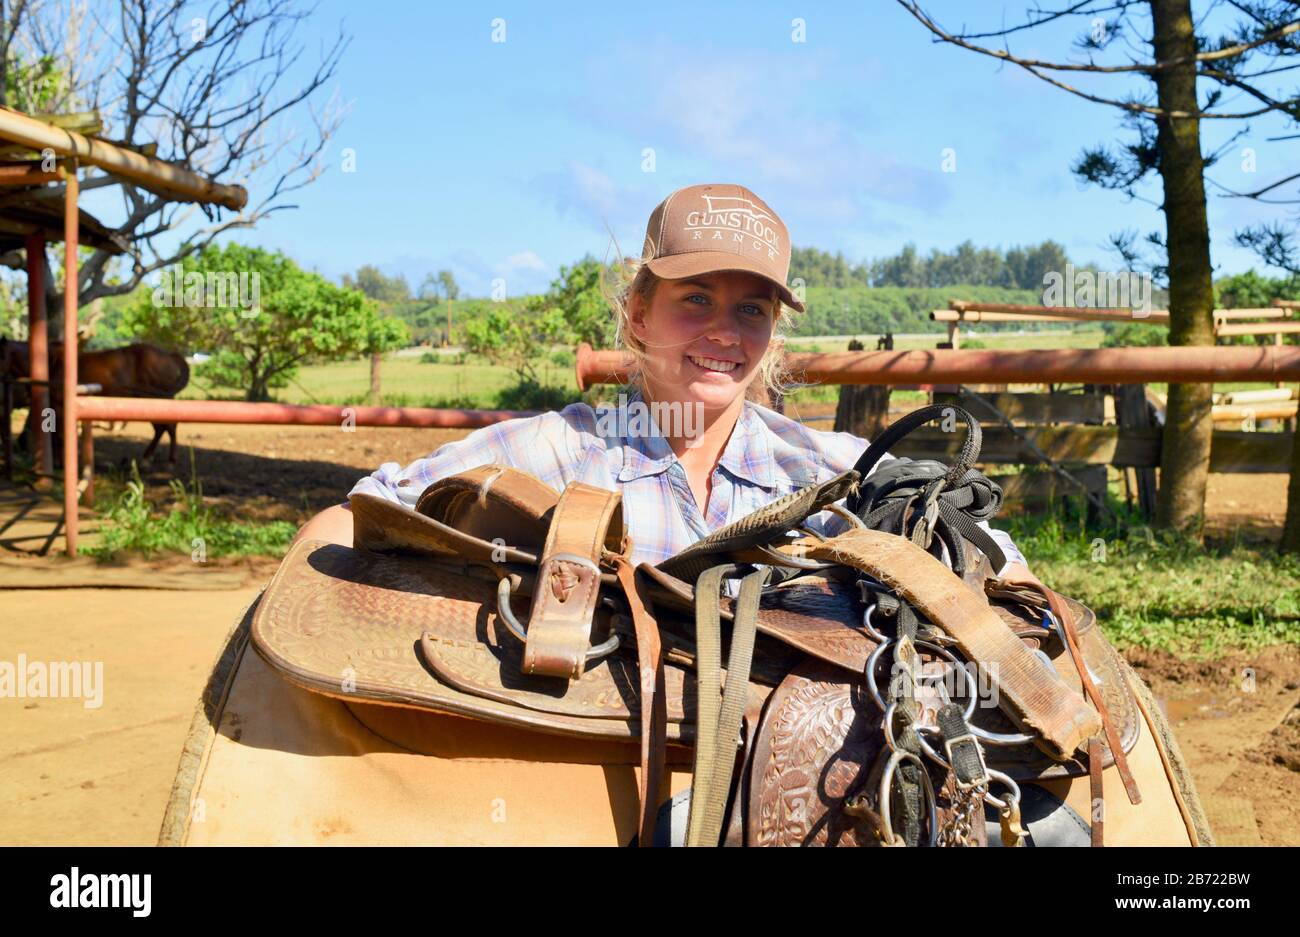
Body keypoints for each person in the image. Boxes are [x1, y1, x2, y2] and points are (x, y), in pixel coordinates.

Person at [295, 183, 1037, 586]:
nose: (724, 332)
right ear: (639, 315)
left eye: (751, 308)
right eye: (696, 300)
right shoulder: (561, 449)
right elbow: (355, 516)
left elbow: (999, 561)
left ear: (772, 335)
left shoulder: (829, 470)